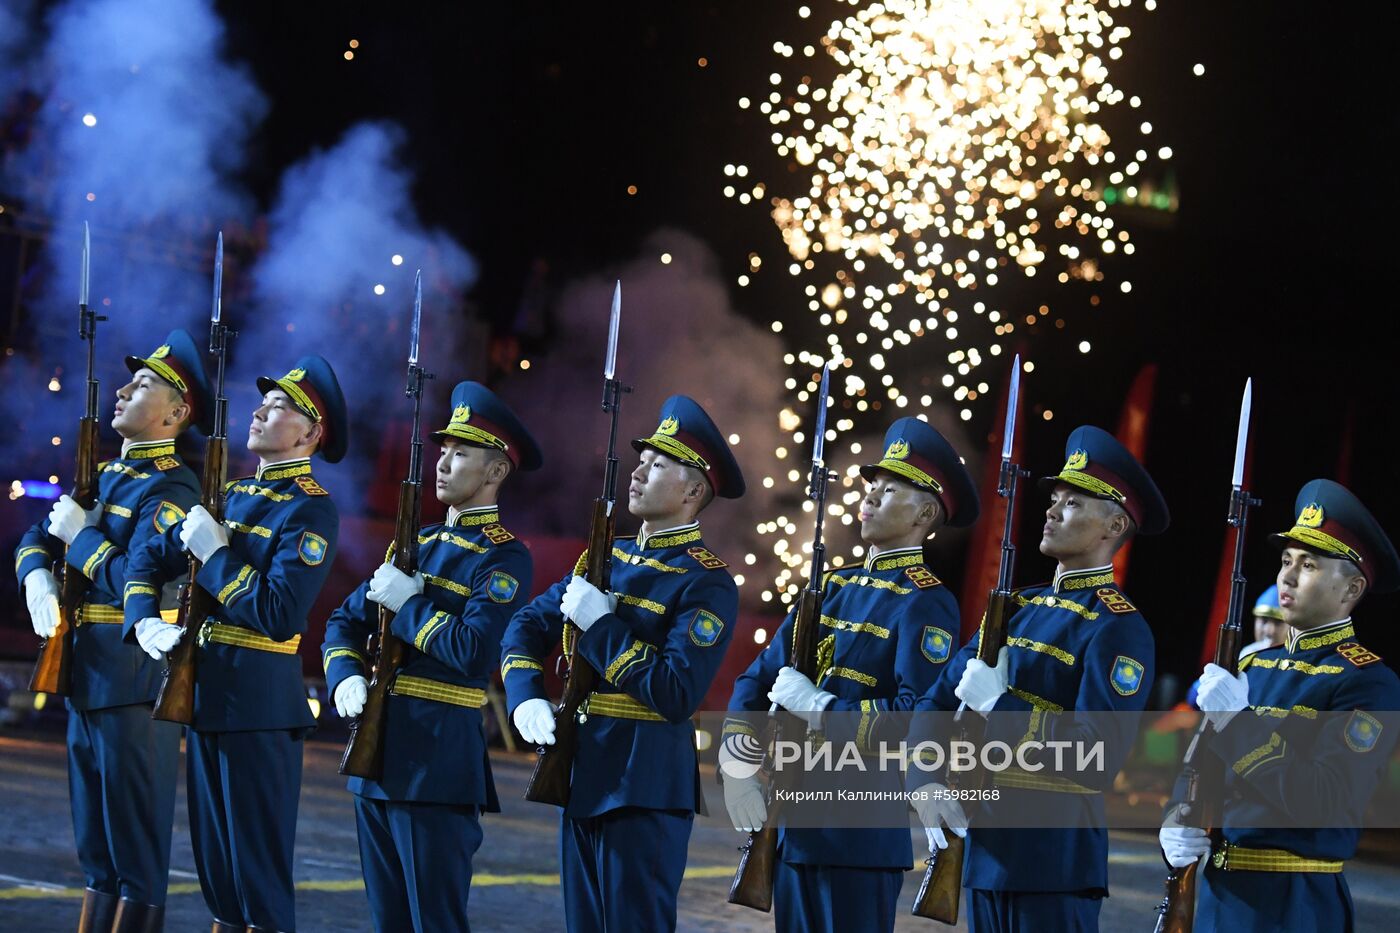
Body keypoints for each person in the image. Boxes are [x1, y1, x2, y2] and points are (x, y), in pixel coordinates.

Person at [722, 416, 979, 932]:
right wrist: (736, 765)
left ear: (925, 513)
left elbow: (914, 718)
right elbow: (756, 678)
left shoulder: (926, 602)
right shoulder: (832, 587)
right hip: (794, 820)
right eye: (872, 487)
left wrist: (820, 708)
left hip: (858, 830)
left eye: (890, 491)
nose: (871, 497)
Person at [500, 395, 744, 933]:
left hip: (644, 783)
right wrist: (524, 698)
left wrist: (603, 627)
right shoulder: (604, 559)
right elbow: (525, 626)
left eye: (659, 465)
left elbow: (677, 690)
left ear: (694, 490)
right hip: (583, 769)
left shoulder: (706, 582)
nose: (639, 471)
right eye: (641, 460)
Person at [912, 424, 1170, 932]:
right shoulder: (1017, 608)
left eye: (1072, 503)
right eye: (1054, 499)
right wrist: (924, 780)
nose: (1051, 511)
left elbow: (1096, 756)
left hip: (1053, 859)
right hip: (985, 850)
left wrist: (999, 707)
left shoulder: (1118, 628)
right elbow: (935, 701)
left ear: (1113, 526)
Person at [123, 356, 347, 932]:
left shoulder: (311, 508)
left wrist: (218, 555)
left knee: (258, 881)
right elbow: (149, 556)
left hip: (258, 706)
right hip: (205, 696)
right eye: (263, 403)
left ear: (310, 433)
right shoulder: (237, 492)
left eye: (279, 409)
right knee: (218, 879)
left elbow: (278, 613)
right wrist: (145, 616)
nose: (260, 412)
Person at [322, 381, 540, 932]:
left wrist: (411, 604)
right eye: (442, 450)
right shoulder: (412, 543)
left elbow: (472, 651)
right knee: (389, 921)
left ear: (495, 473)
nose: (443, 462)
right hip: (376, 754)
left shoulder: (504, 557)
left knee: (434, 921)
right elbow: (343, 623)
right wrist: (345, 675)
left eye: (461, 452)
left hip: (438, 762)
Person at [16, 331, 210, 933]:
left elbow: (140, 577)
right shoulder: (101, 475)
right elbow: (35, 538)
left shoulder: (171, 487)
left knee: (135, 847)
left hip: (131, 678)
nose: (124, 390)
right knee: (95, 850)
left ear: (176, 414)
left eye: (144, 384)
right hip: (85, 670)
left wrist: (83, 540)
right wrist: (36, 581)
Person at [1159, 478, 1400, 933]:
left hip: (1292, 903)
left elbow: (1325, 800)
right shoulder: (1252, 664)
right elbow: (1197, 766)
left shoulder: (1368, 683)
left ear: (1351, 589)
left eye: (1308, 565)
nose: (1286, 576)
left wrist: (1238, 722)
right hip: (1214, 895)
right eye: (1286, 561)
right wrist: (1175, 820)